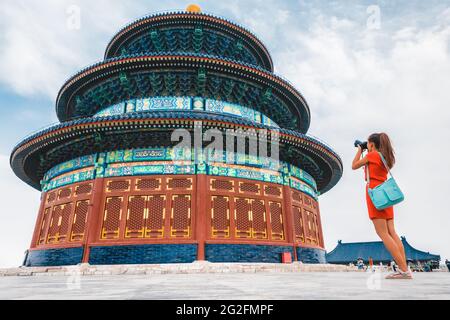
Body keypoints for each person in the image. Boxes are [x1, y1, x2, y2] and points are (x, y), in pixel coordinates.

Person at [352, 133, 412, 279]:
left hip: (375, 193)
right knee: (392, 231)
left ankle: (404, 270)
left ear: (371, 144)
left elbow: (354, 165)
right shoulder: (385, 157)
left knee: (383, 233)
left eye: (368, 143)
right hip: (387, 194)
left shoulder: (373, 156)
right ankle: (404, 268)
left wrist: (360, 149)